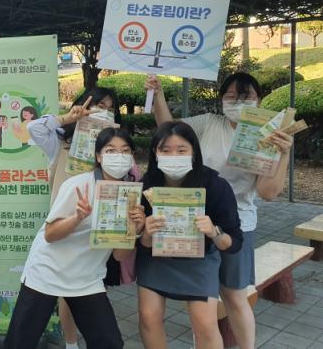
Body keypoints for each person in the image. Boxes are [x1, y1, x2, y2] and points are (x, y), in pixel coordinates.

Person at [145, 73, 293, 349]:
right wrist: (158, 95)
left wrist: (283, 153)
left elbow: (268, 192)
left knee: (234, 296)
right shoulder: (210, 123)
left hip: (238, 224)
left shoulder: (267, 136)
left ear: (259, 100)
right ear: (221, 99)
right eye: (230, 96)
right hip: (194, 221)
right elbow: (169, 130)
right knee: (200, 297)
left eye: (246, 97)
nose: (238, 102)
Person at [4, 128, 144, 349]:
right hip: (48, 272)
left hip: (87, 278)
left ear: (132, 156)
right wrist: (77, 217)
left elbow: (119, 256)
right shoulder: (78, 185)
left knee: (109, 342)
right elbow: (50, 234)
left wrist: (134, 228)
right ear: (99, 156)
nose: (119, 156)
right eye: (111, 150)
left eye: (125, 151)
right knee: (20, 342)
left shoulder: (130, 195)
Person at [27, 86, 124, 349]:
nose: (104, 112)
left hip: (97, 233)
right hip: (62, 230)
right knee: (62, 295)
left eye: (110, 108)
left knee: (88, 294)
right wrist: (66, 118)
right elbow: (34, 129)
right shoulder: (61, 144)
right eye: (99, 106)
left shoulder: (113, 154)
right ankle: (71, 344)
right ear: (84, 106)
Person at [136, 121, 243, 349]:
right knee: (148, 317)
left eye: (181, 150)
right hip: (156, 260)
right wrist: (146, 235)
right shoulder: (146, 184)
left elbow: (234, 243)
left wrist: (214, 232)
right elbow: (139, 243)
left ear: (194, 152)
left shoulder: (215, 185)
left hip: (199, 260)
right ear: (155, 153)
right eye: (165, 150)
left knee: (205, 324)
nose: (173, 156)